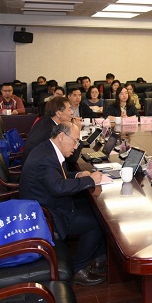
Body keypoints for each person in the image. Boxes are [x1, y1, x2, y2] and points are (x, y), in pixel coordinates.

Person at [20, 123, 107, 286]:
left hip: (49, 204)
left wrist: (78, 175)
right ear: (61, 137)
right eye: (75, 141)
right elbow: (58, 187)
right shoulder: (46, 158)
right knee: (99, 222)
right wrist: (89, 180)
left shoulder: (47, 149)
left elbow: (58, 177)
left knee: (94, 208)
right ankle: (78, 268)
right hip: (47, 216)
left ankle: (99, 258)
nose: (76, 146)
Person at [22, 96, 78, 164]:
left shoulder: (45, 121)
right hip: (39, 167)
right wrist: (77, 130)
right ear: (58, 113)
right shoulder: (51, 131)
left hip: (33, 163)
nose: (72, 113)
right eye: (69, 109)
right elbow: (71, 159)